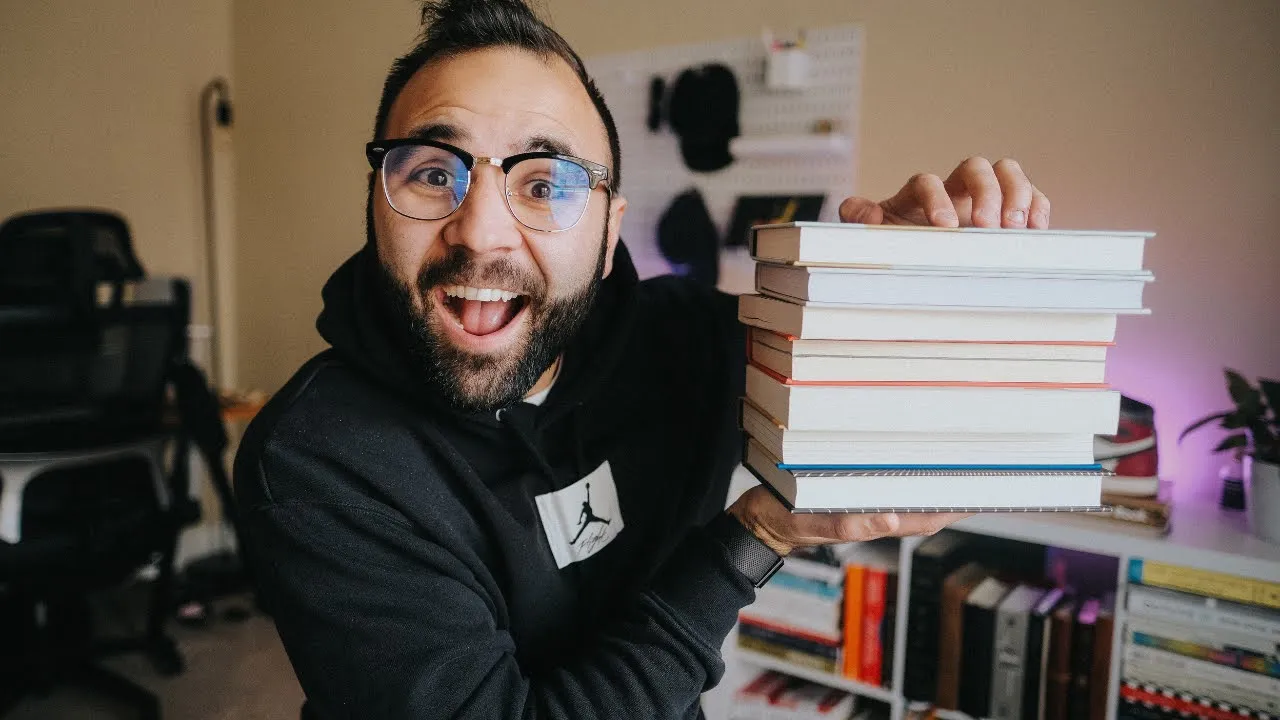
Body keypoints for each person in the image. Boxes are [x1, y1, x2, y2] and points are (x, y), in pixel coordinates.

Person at [233, 1, 1051, 718]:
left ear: (608, 234)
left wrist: (897, 281)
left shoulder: (684, 341)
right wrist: (754, 535)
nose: (480, 232)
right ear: (376, 204)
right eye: (431, 172)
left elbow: (876, 387)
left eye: (544, 184)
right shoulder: (316, 459)